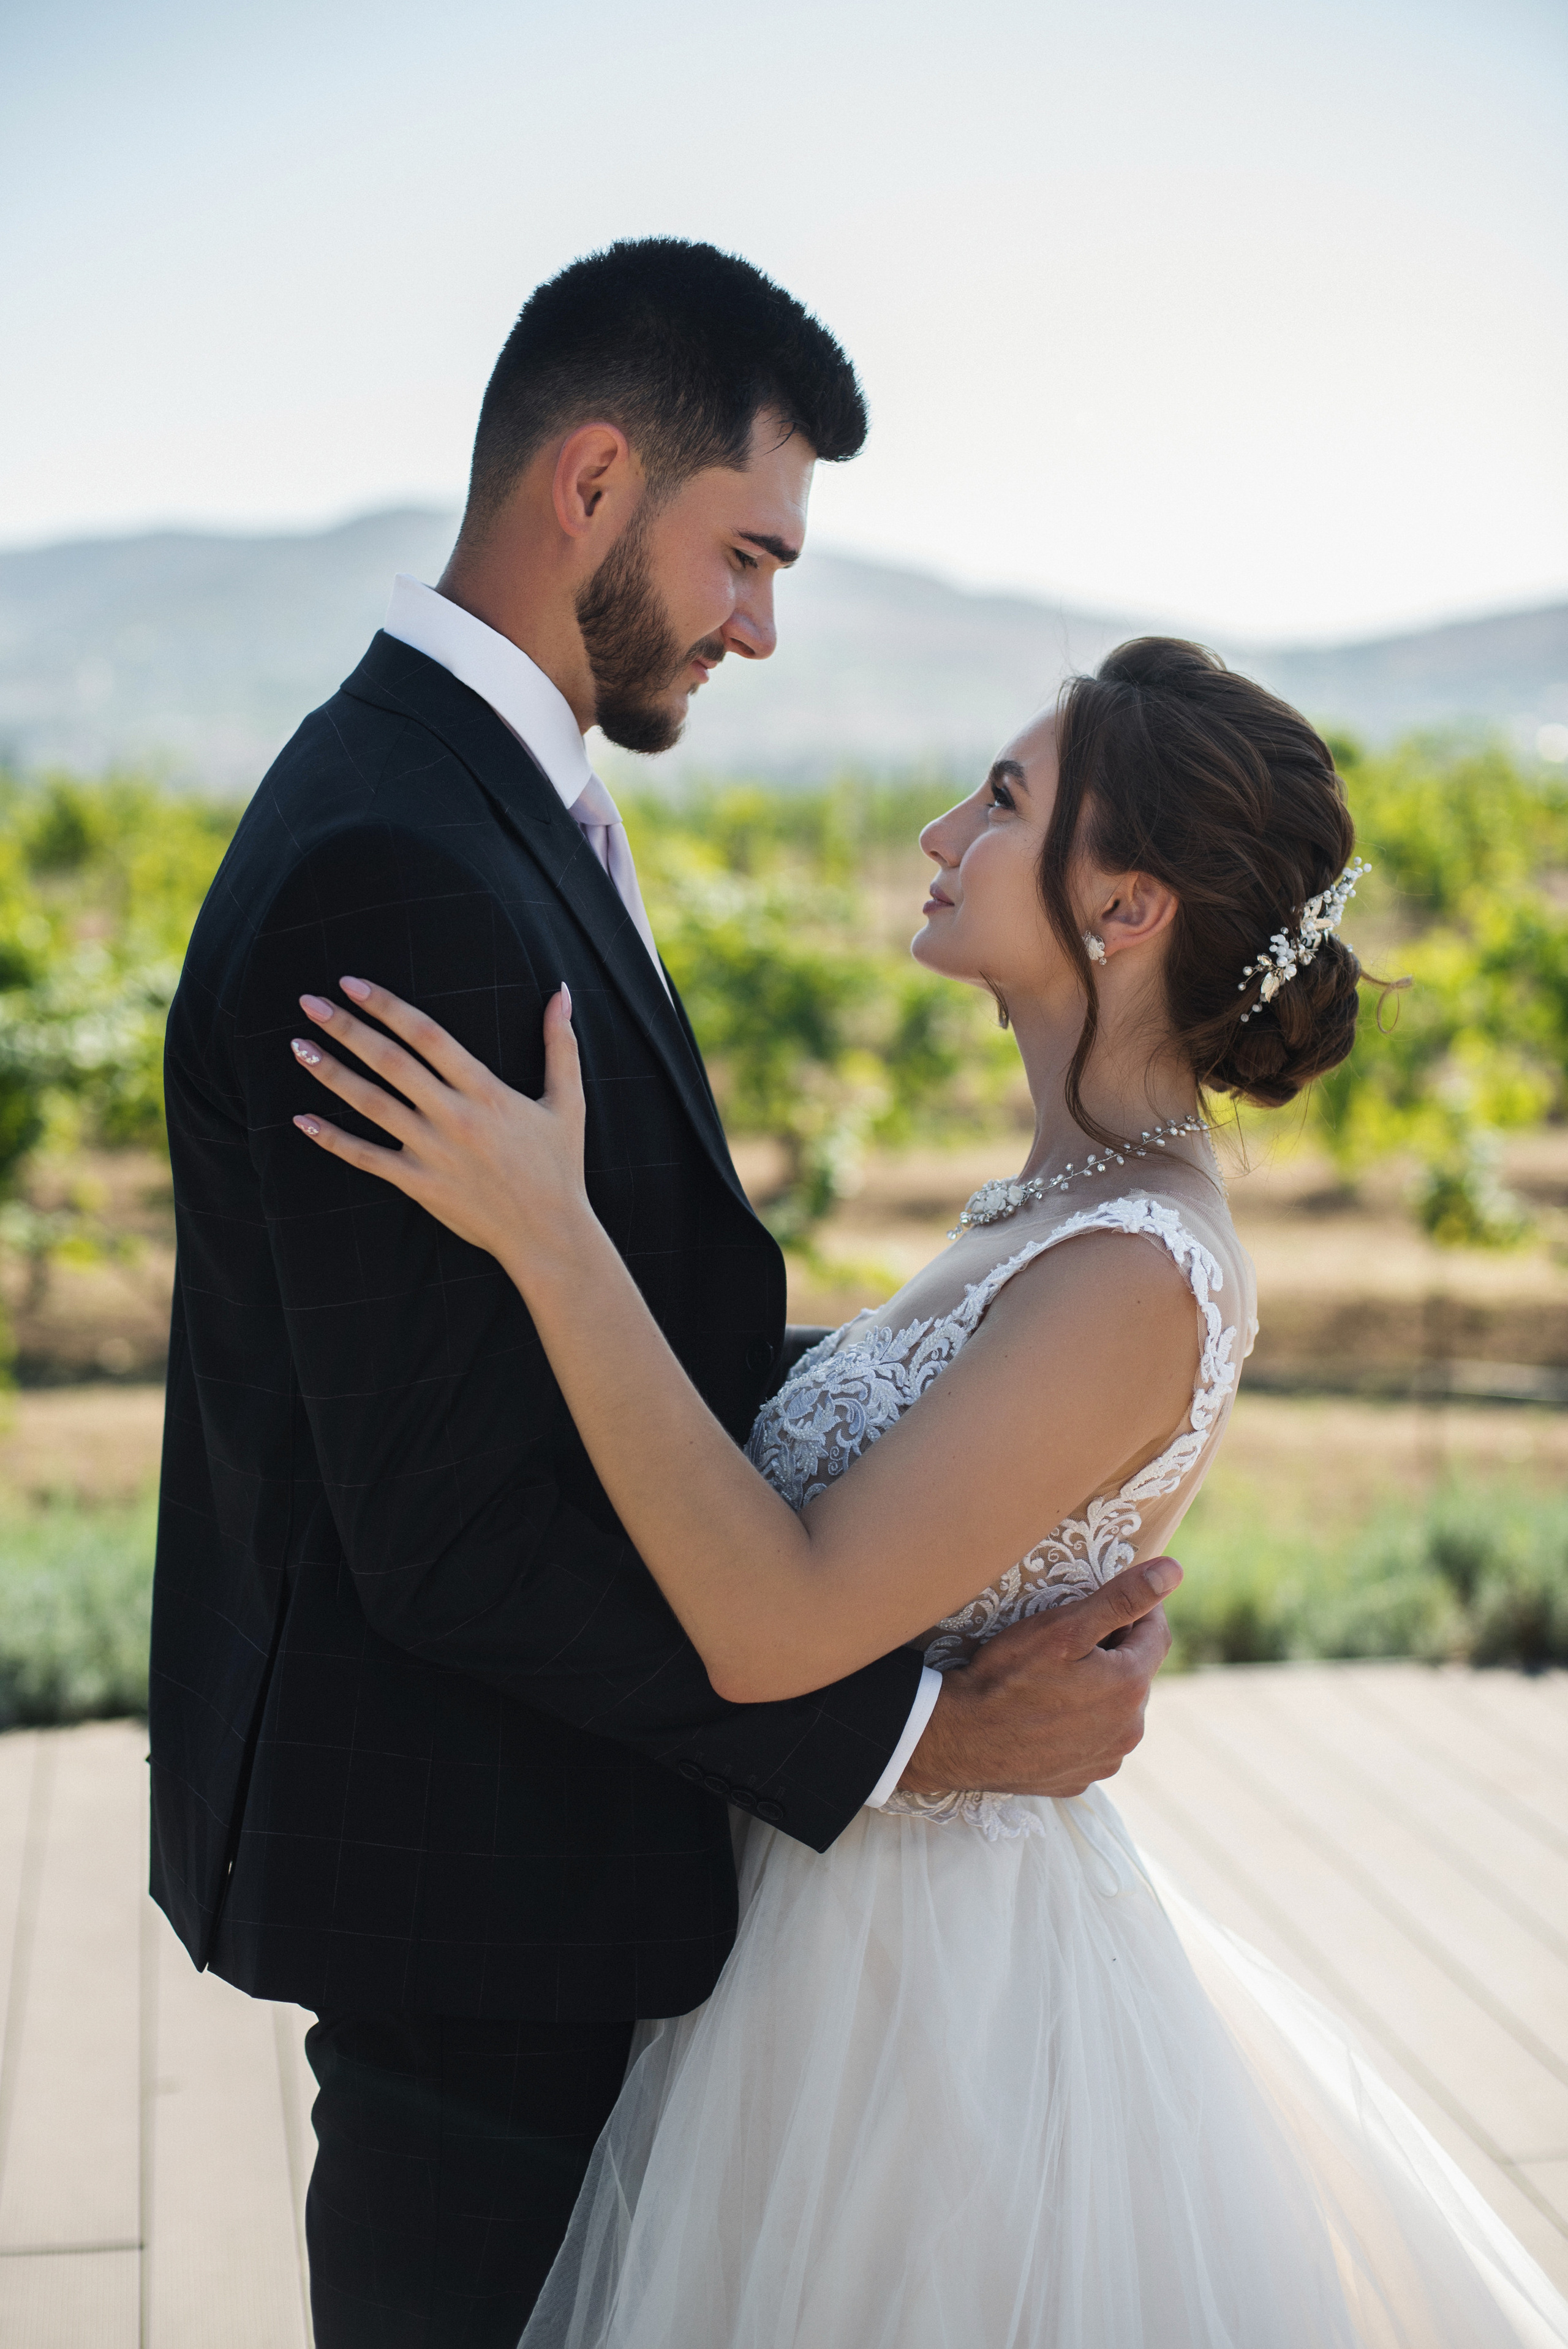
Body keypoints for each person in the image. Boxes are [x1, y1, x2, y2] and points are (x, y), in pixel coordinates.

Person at [288, 638, 1568, 2347]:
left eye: (1008, 799)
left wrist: (549, 1228)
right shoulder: (1053, 1205)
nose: (938, 830)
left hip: (926, 2021)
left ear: (1124, 908)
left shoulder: (1134, 1271)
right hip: (819, 1933)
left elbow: (778, 1620)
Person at [148, 238, 1178, 2349]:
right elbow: (455, 1523)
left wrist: (967, 1436)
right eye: (748, 556)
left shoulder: (478, 801)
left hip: (563, 1902)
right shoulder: (398, 863)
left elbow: (605, 1359)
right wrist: (924, 1742)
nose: (763, 627)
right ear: (596, 480)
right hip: (482, 1929)